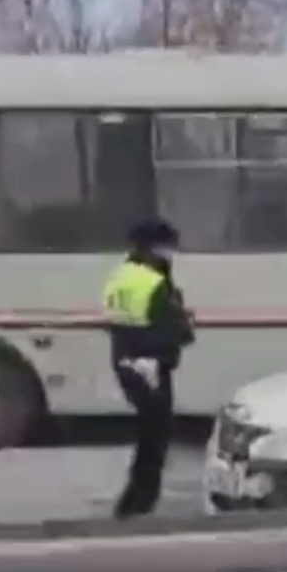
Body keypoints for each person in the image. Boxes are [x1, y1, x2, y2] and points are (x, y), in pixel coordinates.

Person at [103, 217, 195, 519]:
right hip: (151, 367)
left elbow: (120, 322)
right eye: (166, 247)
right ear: (152, 248)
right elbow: (176, 332)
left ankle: (134, 502)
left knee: (149, 435)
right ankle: (136, 506)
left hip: (128, 362)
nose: (170, 253)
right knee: (155, 440)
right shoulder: (154, 282)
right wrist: (182, 320)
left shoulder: (122, 275)